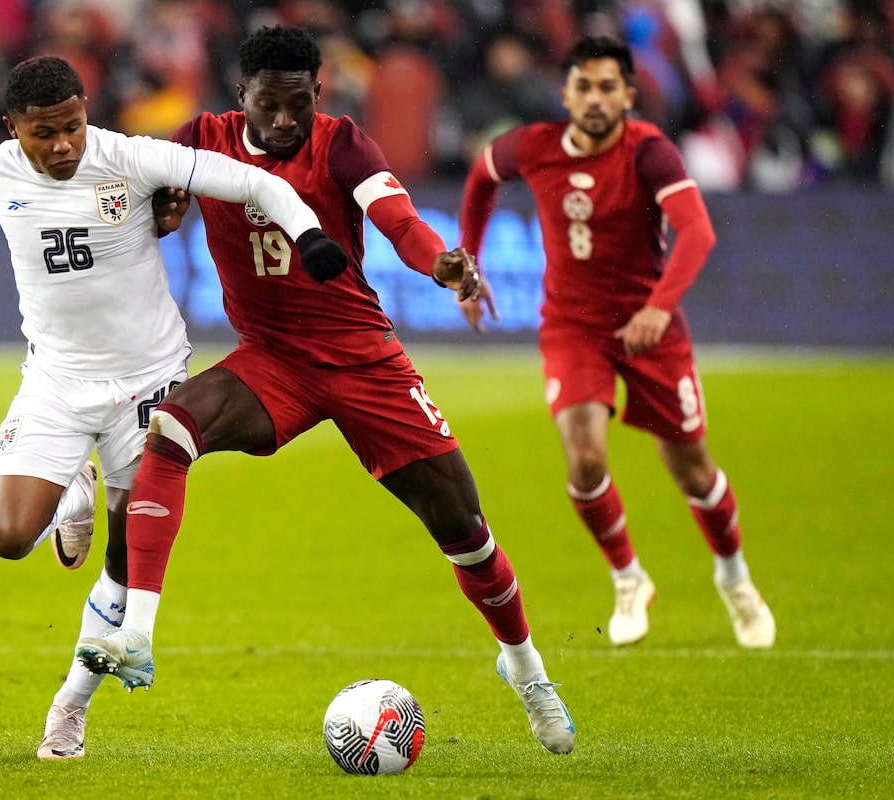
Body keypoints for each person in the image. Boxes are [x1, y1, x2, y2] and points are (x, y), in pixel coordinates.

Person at [74, 25, 576, 756]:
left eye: (298, 105)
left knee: (464, 531)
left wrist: (440, 263)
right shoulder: (199, 139)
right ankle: (139, 635)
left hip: (361, 360)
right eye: (268, 106)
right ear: (241, 95)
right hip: (272, 361)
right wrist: (153, 211)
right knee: (172, 430)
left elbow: (399, 221)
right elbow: (136, 197)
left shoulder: (342, 143)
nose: (283, 122)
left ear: (320, 94)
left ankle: (526, 670)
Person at [0, 54, 346, 760]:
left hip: (150, 383)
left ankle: (69, 708)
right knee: (10, 537)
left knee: (129, 559)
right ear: (14, 130)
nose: (66, 144)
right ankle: (74, 484)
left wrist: (307, 232)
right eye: (46, 134)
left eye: (73, 125)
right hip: (56, 383)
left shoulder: (131, 158)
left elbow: (251, 180)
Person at [457, 35, 776, 650]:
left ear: (629, 95)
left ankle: (735, 577)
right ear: (566, 94)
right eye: (584, 87)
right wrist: (469, 263)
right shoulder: (534, 146)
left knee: (691, 468)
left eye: (608, 87)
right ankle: (629, 579)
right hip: (573, 328)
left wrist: (658, 309)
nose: (596, 98)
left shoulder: (649, 153)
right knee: (584, 457)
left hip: (649, 329)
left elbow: (697, 233)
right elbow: (480, 176)